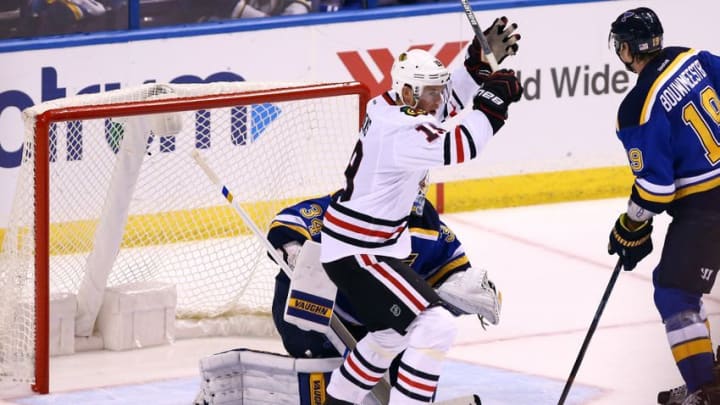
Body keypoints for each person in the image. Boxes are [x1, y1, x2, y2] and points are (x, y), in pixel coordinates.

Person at [315, 17, 523, 404]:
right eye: (429, 93)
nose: (437, 101)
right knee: (437, 324)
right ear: (408, 92)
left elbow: (444, 109)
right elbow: (462, 143)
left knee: (389, 335)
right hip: (360, 254)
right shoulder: (400, 131)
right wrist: (493, 102)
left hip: (366, 247)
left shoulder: (393, 105)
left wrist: (474, 64)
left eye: (437, 91)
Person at [606, 7, 720, 405]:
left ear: (625, 50)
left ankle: (705, 389)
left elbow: (656, 189)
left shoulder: (637, 106)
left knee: (675, 293)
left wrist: (631, 224)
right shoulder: (695, 56)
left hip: (707, 208)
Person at [267, 188, 501, 361]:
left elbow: (452, 266)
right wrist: (294, 249)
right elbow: (287, 222)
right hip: (324, 316)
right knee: (318, 364)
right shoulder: (346, 209)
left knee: (405, 360)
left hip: (380, 320)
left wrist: (459, 287)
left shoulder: (427, 228)